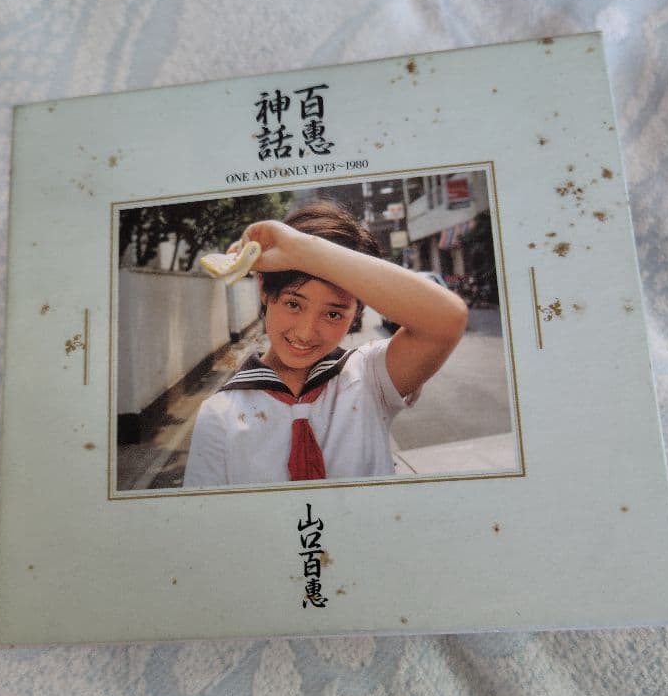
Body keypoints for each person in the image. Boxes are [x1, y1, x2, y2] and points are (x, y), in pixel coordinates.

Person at [182, 200, 468, 487]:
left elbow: (448, 319)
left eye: (333, 314)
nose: (306, 333)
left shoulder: (371, 376)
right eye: (293, 304)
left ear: (356, 313)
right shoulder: (220, 414)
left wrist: (301, 250)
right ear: (264, 290)